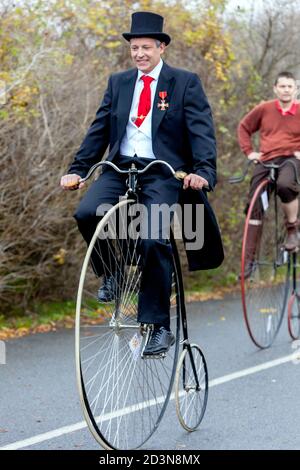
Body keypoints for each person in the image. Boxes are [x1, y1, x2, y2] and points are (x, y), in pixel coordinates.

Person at [61, 11, 223, 355]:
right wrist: (78, 168)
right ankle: (114, 271)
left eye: (146, 48)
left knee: (153, 240)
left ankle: (159, 327)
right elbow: (99, 129)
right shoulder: (118, 83)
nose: (139, 54)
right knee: (87, 214)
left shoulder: (184, 82)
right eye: (134, 48)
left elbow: (201, 131)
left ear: (161, 47)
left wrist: (204, 171)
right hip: (119, 168)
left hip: (162, 173)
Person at [238, 71, 300, 278]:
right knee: (254, 204)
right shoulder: (265, 109)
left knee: (284, 184)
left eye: (289, 86)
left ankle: (292, 230)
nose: (286, 90)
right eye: (282, 86)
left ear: (295, 89)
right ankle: (249, 262)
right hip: (267, 159)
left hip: (291, 158)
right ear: (275, 88)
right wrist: (249, 152)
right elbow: (244, 127)